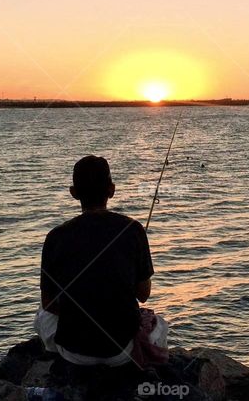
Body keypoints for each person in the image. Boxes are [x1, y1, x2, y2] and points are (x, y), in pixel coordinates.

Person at [35, 155, 166, 369]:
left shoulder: (55, 237)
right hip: (120, 352)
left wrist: (76, 313)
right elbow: (143, 295)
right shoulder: (133, 229)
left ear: (73, 193)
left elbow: (48, 302)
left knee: (40, 313)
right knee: (160, 324)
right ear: (111, 190)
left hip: (73, 353)